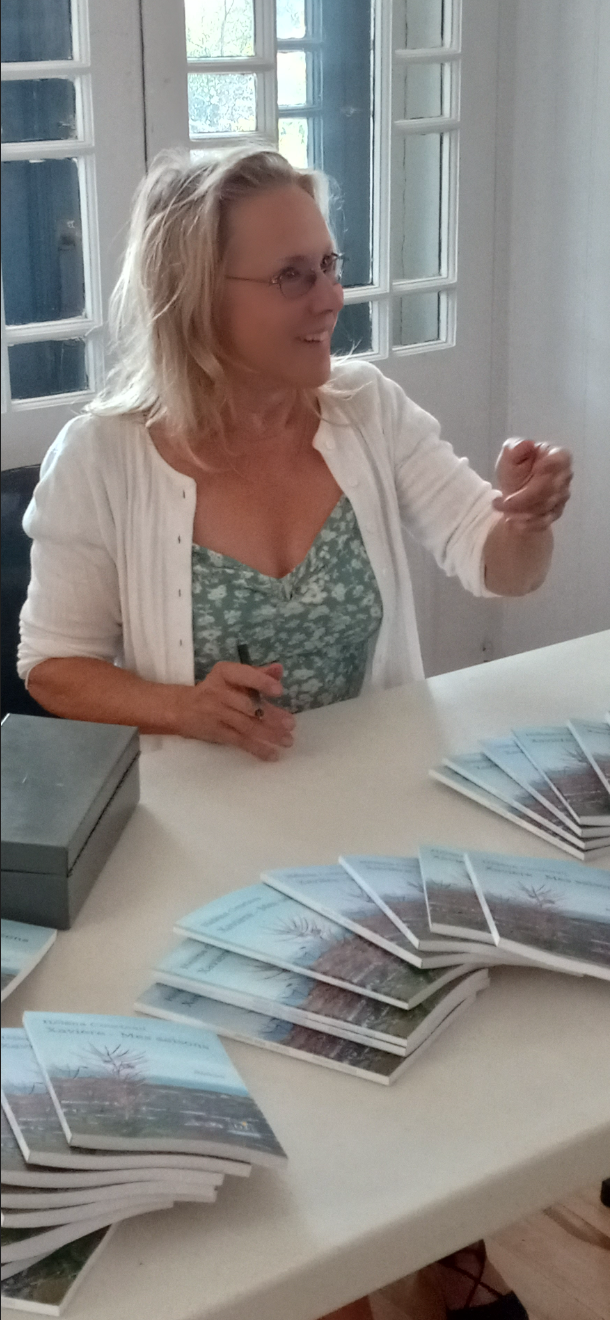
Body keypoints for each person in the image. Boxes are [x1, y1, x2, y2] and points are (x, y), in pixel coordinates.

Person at [18, 148, 571, 1317]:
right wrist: (182, 704)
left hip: (376, 810)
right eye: (291, 276)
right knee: (288, 1139)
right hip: (202, 848)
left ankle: (435, 1261)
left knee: (425, 1078)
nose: (330, 296)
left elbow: (494, 565)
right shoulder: (103, 456)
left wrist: (524, 519)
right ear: (196, 298)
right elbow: (50, 666)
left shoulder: (367, 408)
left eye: (329, 264)